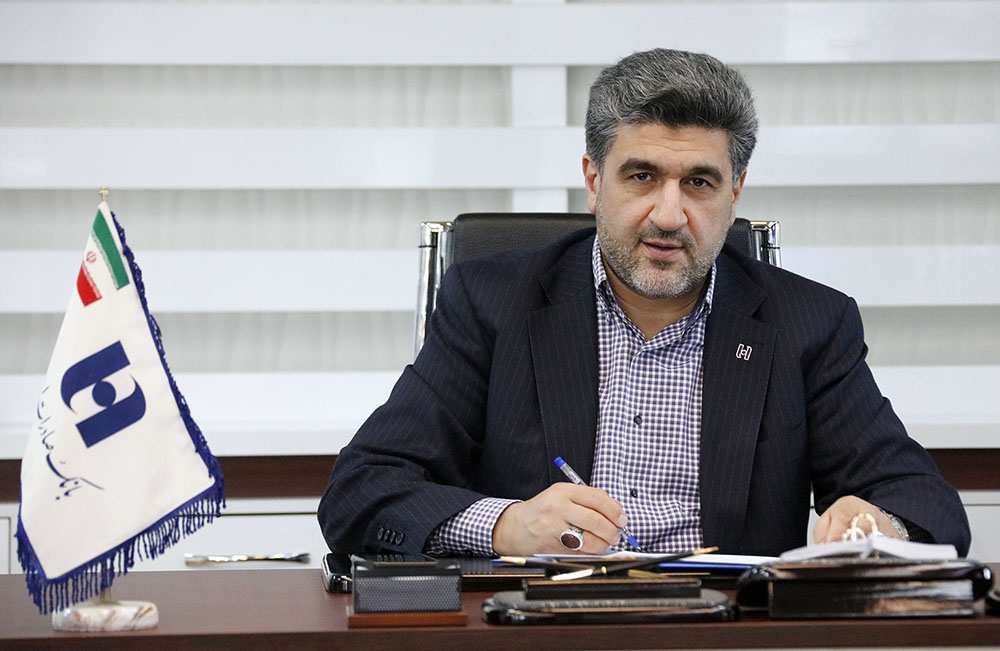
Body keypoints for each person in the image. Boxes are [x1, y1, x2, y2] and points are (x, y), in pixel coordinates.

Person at [318, 48, 971, 558]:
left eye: (700, 182)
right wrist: (507, 526)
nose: (668, 214)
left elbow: (929, 507)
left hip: (724, 634)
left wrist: (879, 526)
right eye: (641, 176)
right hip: (540, 627)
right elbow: (361, 492)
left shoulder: (807, 324)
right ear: (593, 178)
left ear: (735, 192)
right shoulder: (491, 304)